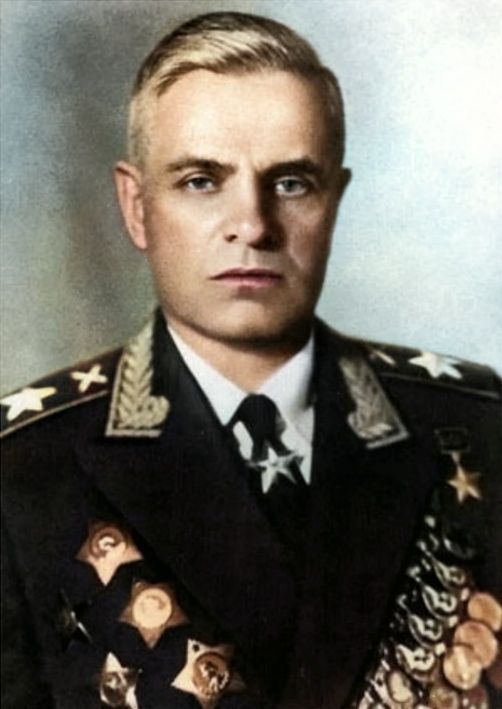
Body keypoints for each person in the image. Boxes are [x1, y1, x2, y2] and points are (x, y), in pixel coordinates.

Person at [1, 11, 501, 709]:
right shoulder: (23, 473)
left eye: (291, 182)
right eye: (201, 181)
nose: (254, 225)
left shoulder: (480, 430)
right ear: (137, 206)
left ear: (334, 201)